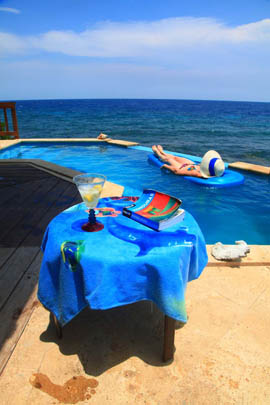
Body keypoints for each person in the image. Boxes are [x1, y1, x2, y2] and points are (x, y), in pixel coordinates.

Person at [152, 145, 225, 178]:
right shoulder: (216, 169)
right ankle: (163, 152)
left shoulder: (197, 174)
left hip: (181, 167)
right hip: (192, 164)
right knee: (175, 157)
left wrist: (166, 166)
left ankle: (158, 153)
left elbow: (176, 171)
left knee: (169, 159)